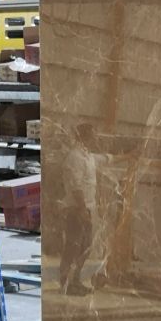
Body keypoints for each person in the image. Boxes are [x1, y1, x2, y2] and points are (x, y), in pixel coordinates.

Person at [59, 121, 98, 295]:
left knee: (85, 246)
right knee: (73, 247)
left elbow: (106, 158)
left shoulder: (88, 156)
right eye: (94, 135)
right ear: (86, 136)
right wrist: (82, 209)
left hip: (85, 208)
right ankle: (66, 284)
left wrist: (127, 156)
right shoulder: (75, 157)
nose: (96, 138)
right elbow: (76, 186)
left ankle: (75, 281)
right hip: (76, 209)